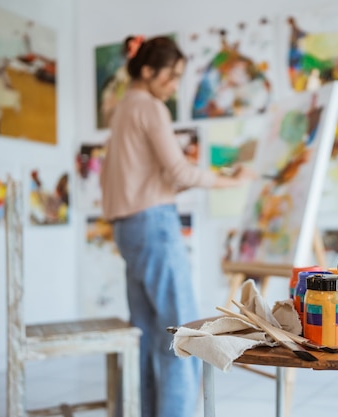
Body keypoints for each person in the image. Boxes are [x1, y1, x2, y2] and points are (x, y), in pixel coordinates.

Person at [100, 35, 253, 417]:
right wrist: (234, 180)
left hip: (128, 228)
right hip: (152, 223)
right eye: (171, 77)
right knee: (181, 337)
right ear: (148, 70)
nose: (174, 86)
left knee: (148, 336)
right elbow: (179, 172)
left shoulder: (122, 109)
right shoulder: (150, 107)